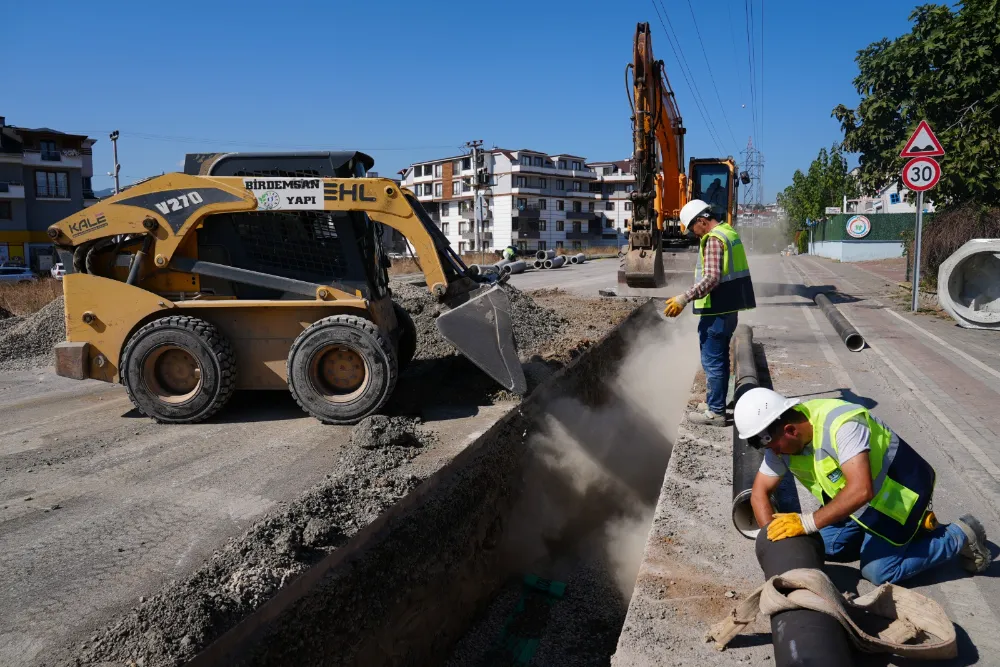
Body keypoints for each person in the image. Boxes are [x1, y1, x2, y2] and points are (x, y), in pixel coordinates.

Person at [735, 387, 992, 585]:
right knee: (821, 546)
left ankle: (958, 535)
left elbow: (861, 490)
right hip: (857, 508)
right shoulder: (779, 442)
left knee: (877, 571)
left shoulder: (841, 425)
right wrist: (772, 537)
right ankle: (892, 540)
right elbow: (759, 493)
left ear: (790, 430)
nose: (774, 454)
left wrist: (806, 522)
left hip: (899, 498)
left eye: (774, 447)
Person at [663, 199, 756, 426]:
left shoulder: (714, 239)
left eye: (692, 228)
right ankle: (716, 402)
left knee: (713, 361)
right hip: (728, 308)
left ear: (702, 221)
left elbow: (712, 277)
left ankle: (715, 412)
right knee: (720, 359)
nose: (693, 234)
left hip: (717, 309)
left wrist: (684, 298)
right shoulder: (728, 232)